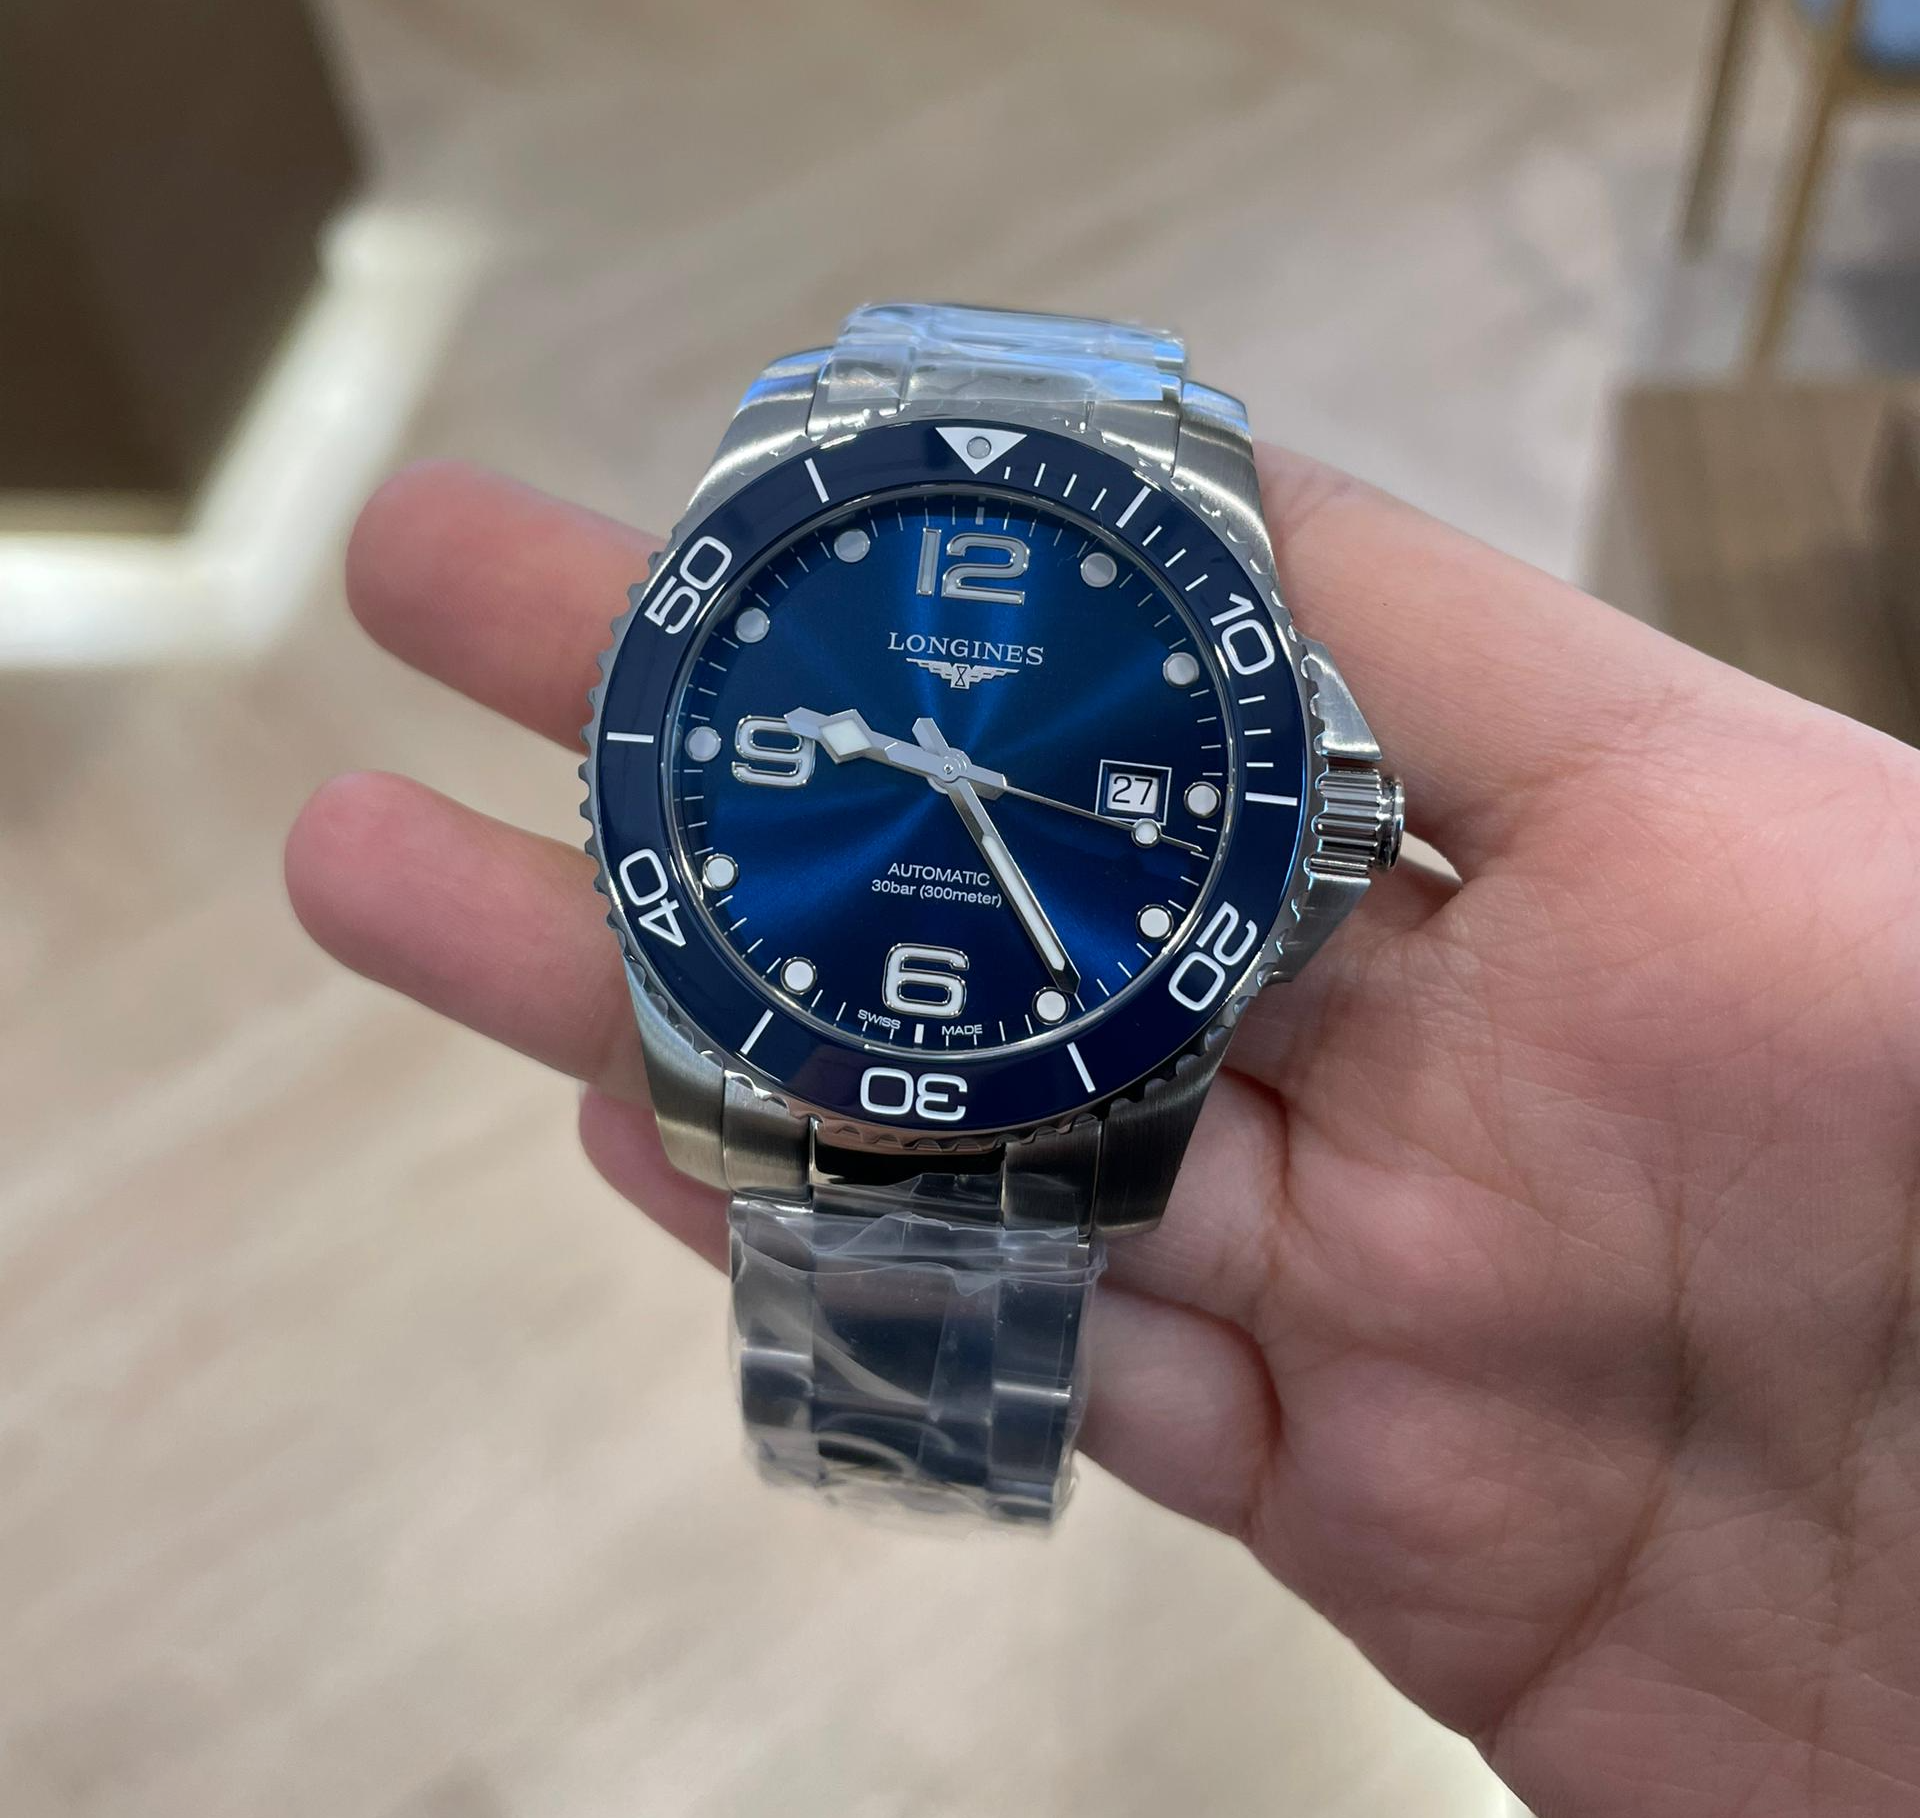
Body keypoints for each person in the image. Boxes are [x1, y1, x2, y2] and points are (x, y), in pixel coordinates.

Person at [285, 446, 1920, 1817]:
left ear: (1323, 830)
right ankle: (882, 1445)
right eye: (919, 747)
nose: (958, 770)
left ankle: (898, 1449)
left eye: (978, 762)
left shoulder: (1237, 807)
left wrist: (931, 765)